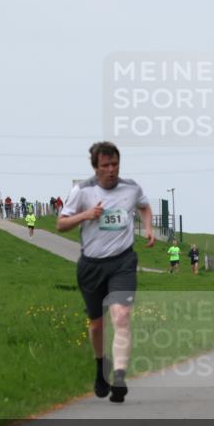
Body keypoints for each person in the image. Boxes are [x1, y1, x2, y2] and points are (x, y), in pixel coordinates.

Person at [59, 142, 154, 403]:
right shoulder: (82, 191)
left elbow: (144, 206)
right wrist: (87, 215)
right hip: (91, 265)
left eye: (115, 165)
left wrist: (148, 227)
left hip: (122, 262)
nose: (111, 170)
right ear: (95, 167)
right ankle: (101, 367)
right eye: (105, 166)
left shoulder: (131, 188)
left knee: (121, 316)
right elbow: (61, 224)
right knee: (97, 323)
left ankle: (120, 376)